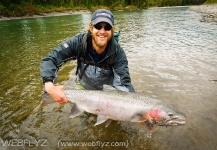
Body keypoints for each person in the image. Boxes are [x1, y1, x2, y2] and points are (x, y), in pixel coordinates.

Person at [40, 9, 134, 104]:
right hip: (83, 89)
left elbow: (124, 84)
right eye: (98, 26)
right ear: (91, 28)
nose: (102, 31)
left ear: (112, 30)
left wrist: (135, 108)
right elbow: (51, 59)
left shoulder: (118, 53)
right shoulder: (78, 43)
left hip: (107, 95)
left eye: (107, 27)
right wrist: (50, 86)